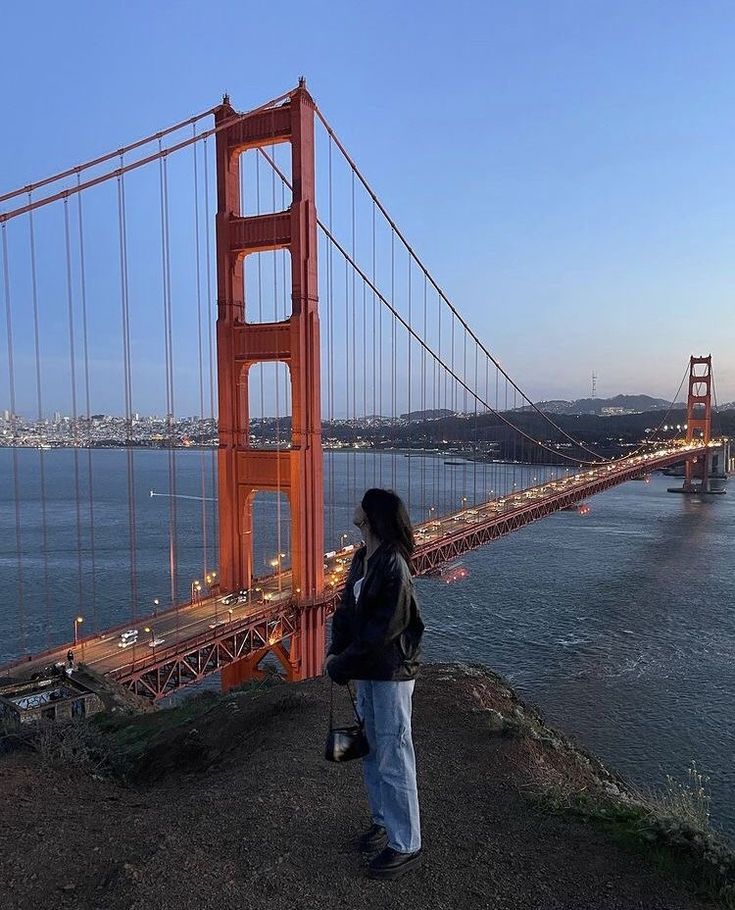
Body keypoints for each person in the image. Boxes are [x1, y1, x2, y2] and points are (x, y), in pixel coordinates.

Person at [324, 488, 425, 880]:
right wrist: (336, 650)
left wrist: (342, 663)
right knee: (369, 749)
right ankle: (383, 821)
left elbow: (386, 629)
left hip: (390, 671)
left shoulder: (394, 564)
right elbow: (346, 612)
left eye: (361, 503)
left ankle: (406, 844)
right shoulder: (363, 557)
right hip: (367, 669)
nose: (353, 505)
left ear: (370, 515)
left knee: (394, 753)